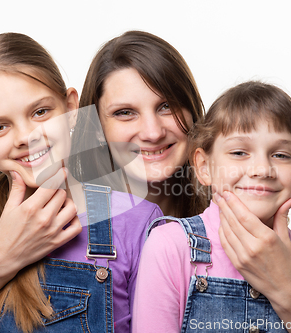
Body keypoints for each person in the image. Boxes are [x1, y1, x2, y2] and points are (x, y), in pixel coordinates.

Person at [0, 32, 162, 333]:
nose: (26, 137)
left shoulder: (136, 222)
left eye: (40, 112)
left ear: (71, 108)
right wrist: (1, 256)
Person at [133, 81, 291, 332]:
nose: (262, 169)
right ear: (204, 166)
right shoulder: (169, 246)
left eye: (281, 155)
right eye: (240, 152)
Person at [70, 30, 206, 218]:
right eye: (125, 113)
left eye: (167, 106)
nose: (153, 133)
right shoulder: (65, 226)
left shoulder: (239, 209)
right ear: (97, 127)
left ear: (192, 111)